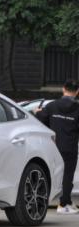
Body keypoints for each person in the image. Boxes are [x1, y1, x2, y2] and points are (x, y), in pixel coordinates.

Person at [36, 80, 79, 214]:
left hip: (53, 147)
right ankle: (64, 204)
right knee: (67, 175)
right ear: (77, 92)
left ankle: (40, 201)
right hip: (70, 146)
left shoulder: (52, 106)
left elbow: (41, 121)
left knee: (50, 173)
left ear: (63, 89)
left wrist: (37, 112)